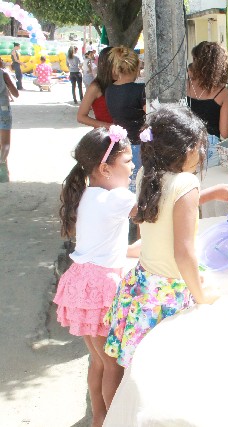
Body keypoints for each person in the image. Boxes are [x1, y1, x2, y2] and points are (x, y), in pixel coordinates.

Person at [104, 106, 221, 368]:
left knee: (142, 367)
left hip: (143, 283)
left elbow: (157, 224)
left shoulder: (146, 174)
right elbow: (184, 252)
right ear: (184, 150)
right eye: (199, 146)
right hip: (170, 292)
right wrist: (201, 296)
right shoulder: (187, 184)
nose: (202, 153)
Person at [54, 125, 138, 427]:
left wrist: (133, 251)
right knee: (114, 365)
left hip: (81, 283)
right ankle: (113, 421)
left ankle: (99, 418)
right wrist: (205, 194)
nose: (133, 166)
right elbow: (158, 209)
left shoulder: (87, 195)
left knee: (99, 361)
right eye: (128, 160)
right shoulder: (117, 198)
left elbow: (103, 243)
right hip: (101, 288)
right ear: (105, 168)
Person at [105, 46, 145, 192]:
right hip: (138, 144)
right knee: (138, 186)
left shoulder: (109, 90)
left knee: (124, 185)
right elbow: (151, 115)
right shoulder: (140, 90)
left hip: (118, 145)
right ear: (136, 68)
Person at [186, 41, 228, 168]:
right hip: (209, 148)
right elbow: (225, 132)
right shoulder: (223, 93)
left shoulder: (184, 86)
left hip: (185, 145)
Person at [77, 47, 115, 129]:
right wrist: (110, 126)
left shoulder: (123, 82)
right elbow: (81, 117)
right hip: (106, 134)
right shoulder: (96, 87)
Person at [0, 58, 19, 183]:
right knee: (5, 143)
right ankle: (2, 167)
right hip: (3, 109)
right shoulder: (3, 74)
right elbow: (16, 93)